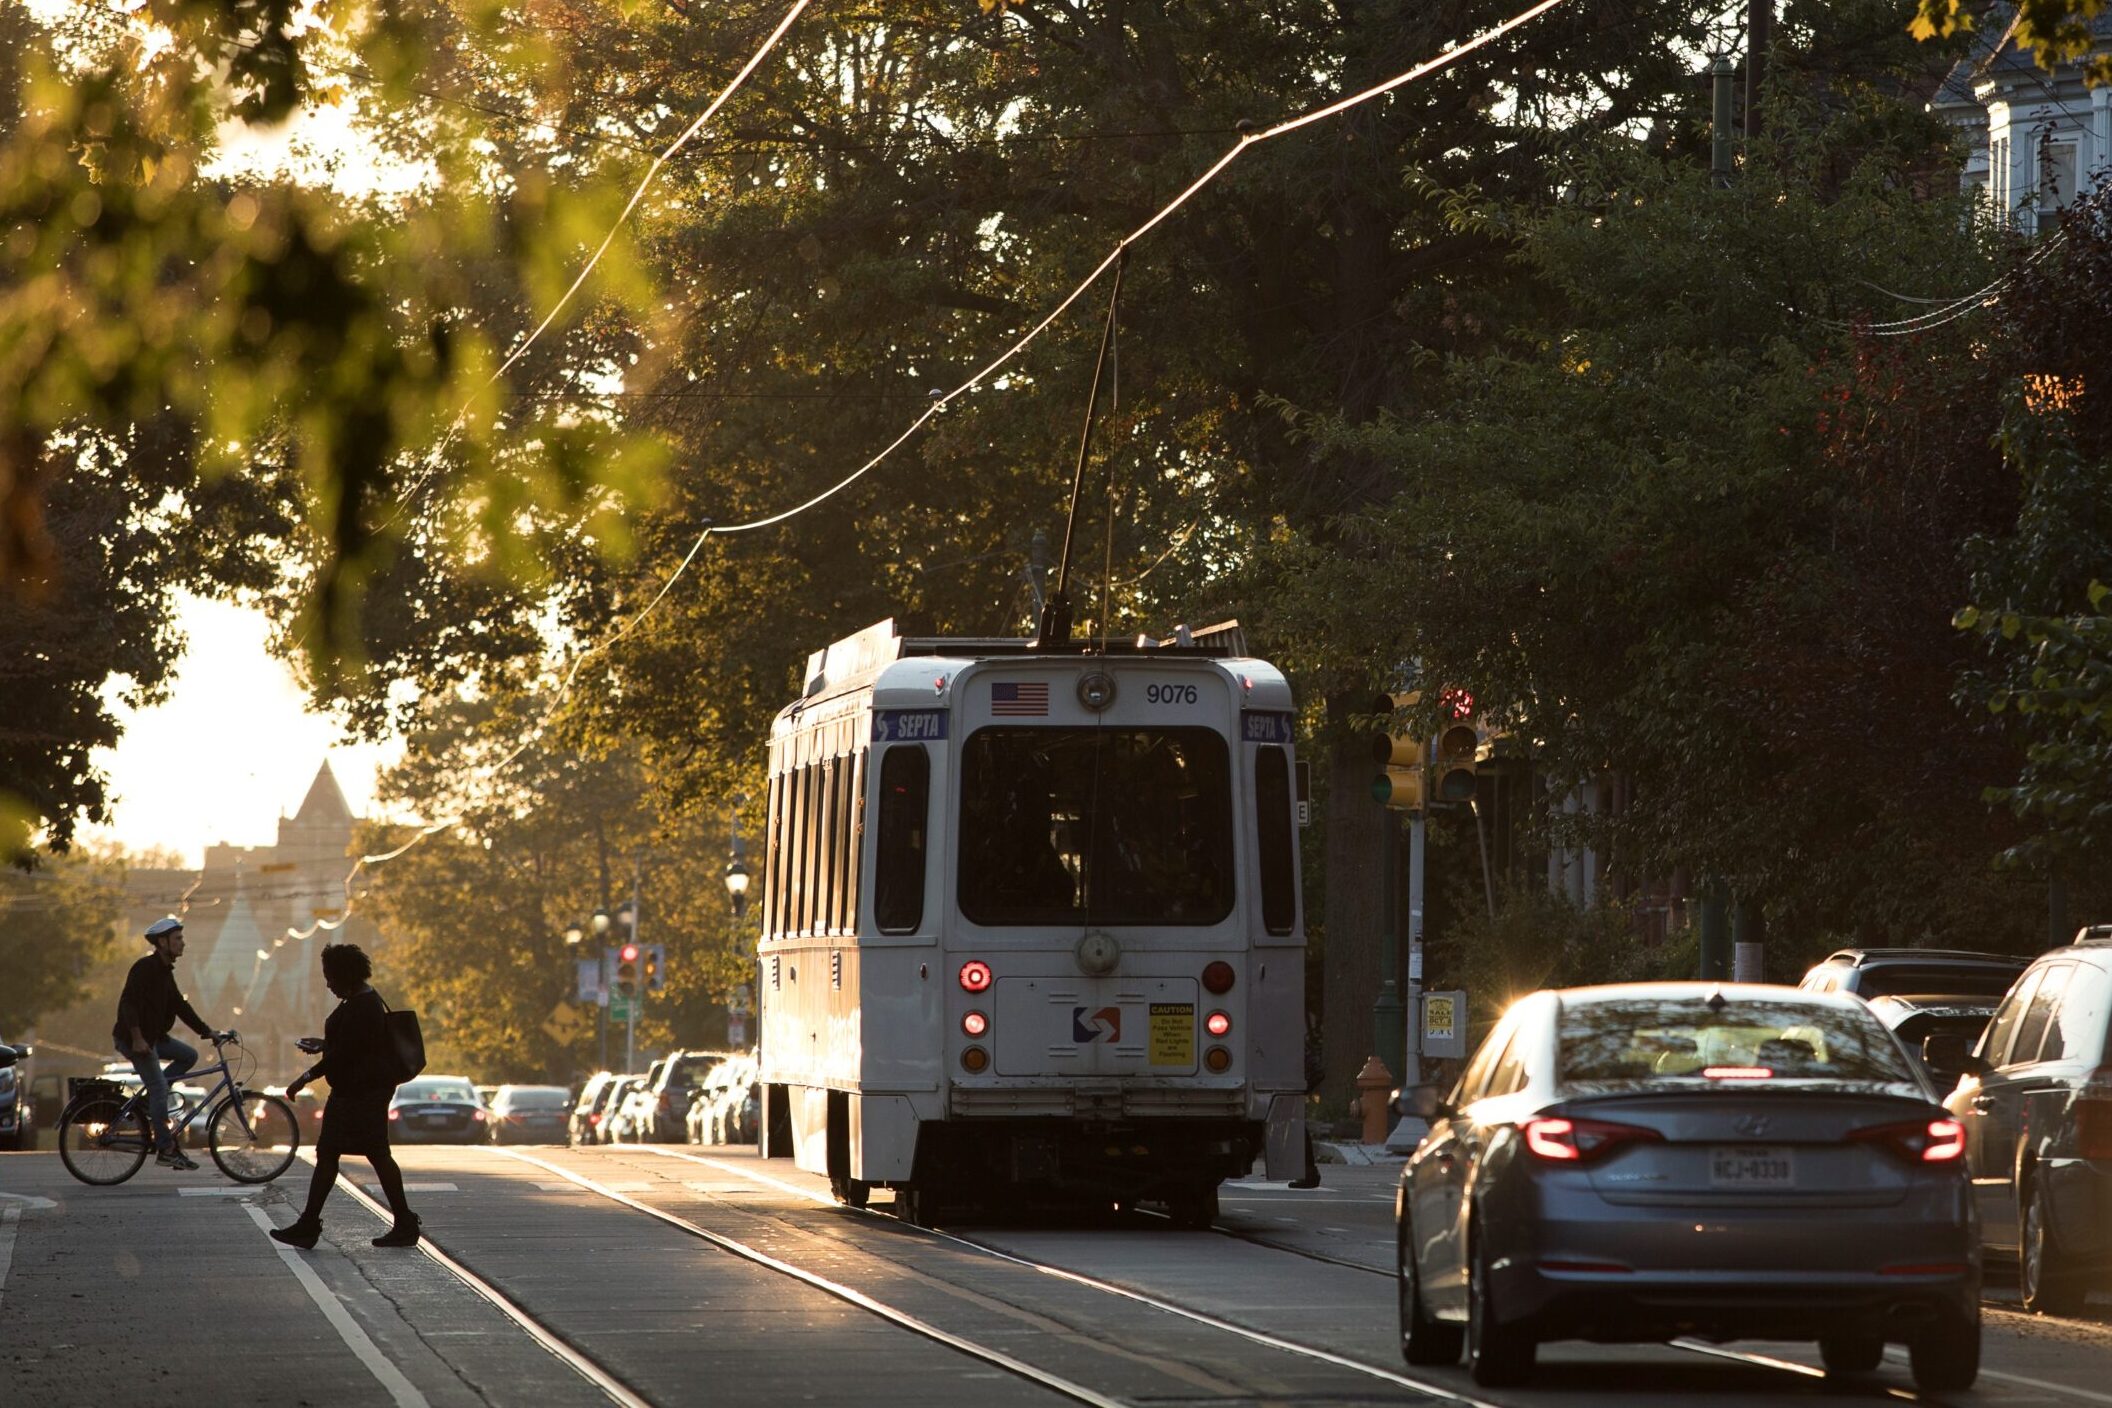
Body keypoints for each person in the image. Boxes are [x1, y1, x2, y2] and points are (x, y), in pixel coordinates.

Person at [271, 943, 420, 1249]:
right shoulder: (361, 1001)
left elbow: (347, 1055)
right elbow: (350, 1046)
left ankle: (312, 1224)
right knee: (345, 1155)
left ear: (345, 974)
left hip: (360, 1095)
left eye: (330, 976)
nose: (328, 983)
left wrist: (305, 1077)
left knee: (361, 1154)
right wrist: (325, 1045)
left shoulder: (363, 1005)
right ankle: (312, 1224)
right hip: (358, 1093)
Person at [113, 916, 225, 1170]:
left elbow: (180, 1006)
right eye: (178, 939)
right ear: (162, 942)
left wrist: (208, 1032)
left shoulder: (164, 972)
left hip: (153, 1038)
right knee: (160, 1089)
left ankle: (155, 1100)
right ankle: (166, 1149)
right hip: (135, 1039)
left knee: (188, 1056)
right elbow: (128, 1003)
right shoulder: (144, 968)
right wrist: (138, 1037)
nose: (182, 944)